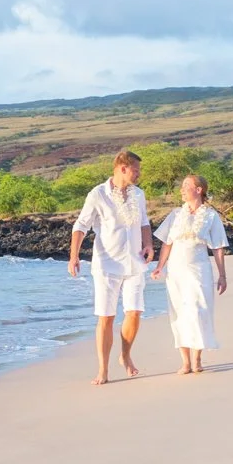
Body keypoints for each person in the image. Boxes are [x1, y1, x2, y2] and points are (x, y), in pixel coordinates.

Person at [68, 150, 153, 385]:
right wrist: (74, 256)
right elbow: (81, 225)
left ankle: (125, 355)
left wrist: (148, 244)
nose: (139, 174)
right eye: (136, 169)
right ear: (123, 168)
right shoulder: (98, 194)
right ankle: (103, 370)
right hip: (107, 264)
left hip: (135, 262)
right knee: (106, 317)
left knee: (134, 312)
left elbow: (144, 222)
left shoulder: (139, 194)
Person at [152, 173, 229, 374]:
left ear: (199, 190)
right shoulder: (175, 214)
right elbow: (167, 242)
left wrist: (222, 275)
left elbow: (218, 247)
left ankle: (197, 359)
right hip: (176, 270)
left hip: (199, 269)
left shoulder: (211, 216)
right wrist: (159, 266)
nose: (181, 189)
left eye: (186, 186)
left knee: (198, 310)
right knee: (179, 312)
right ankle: (185, 362)